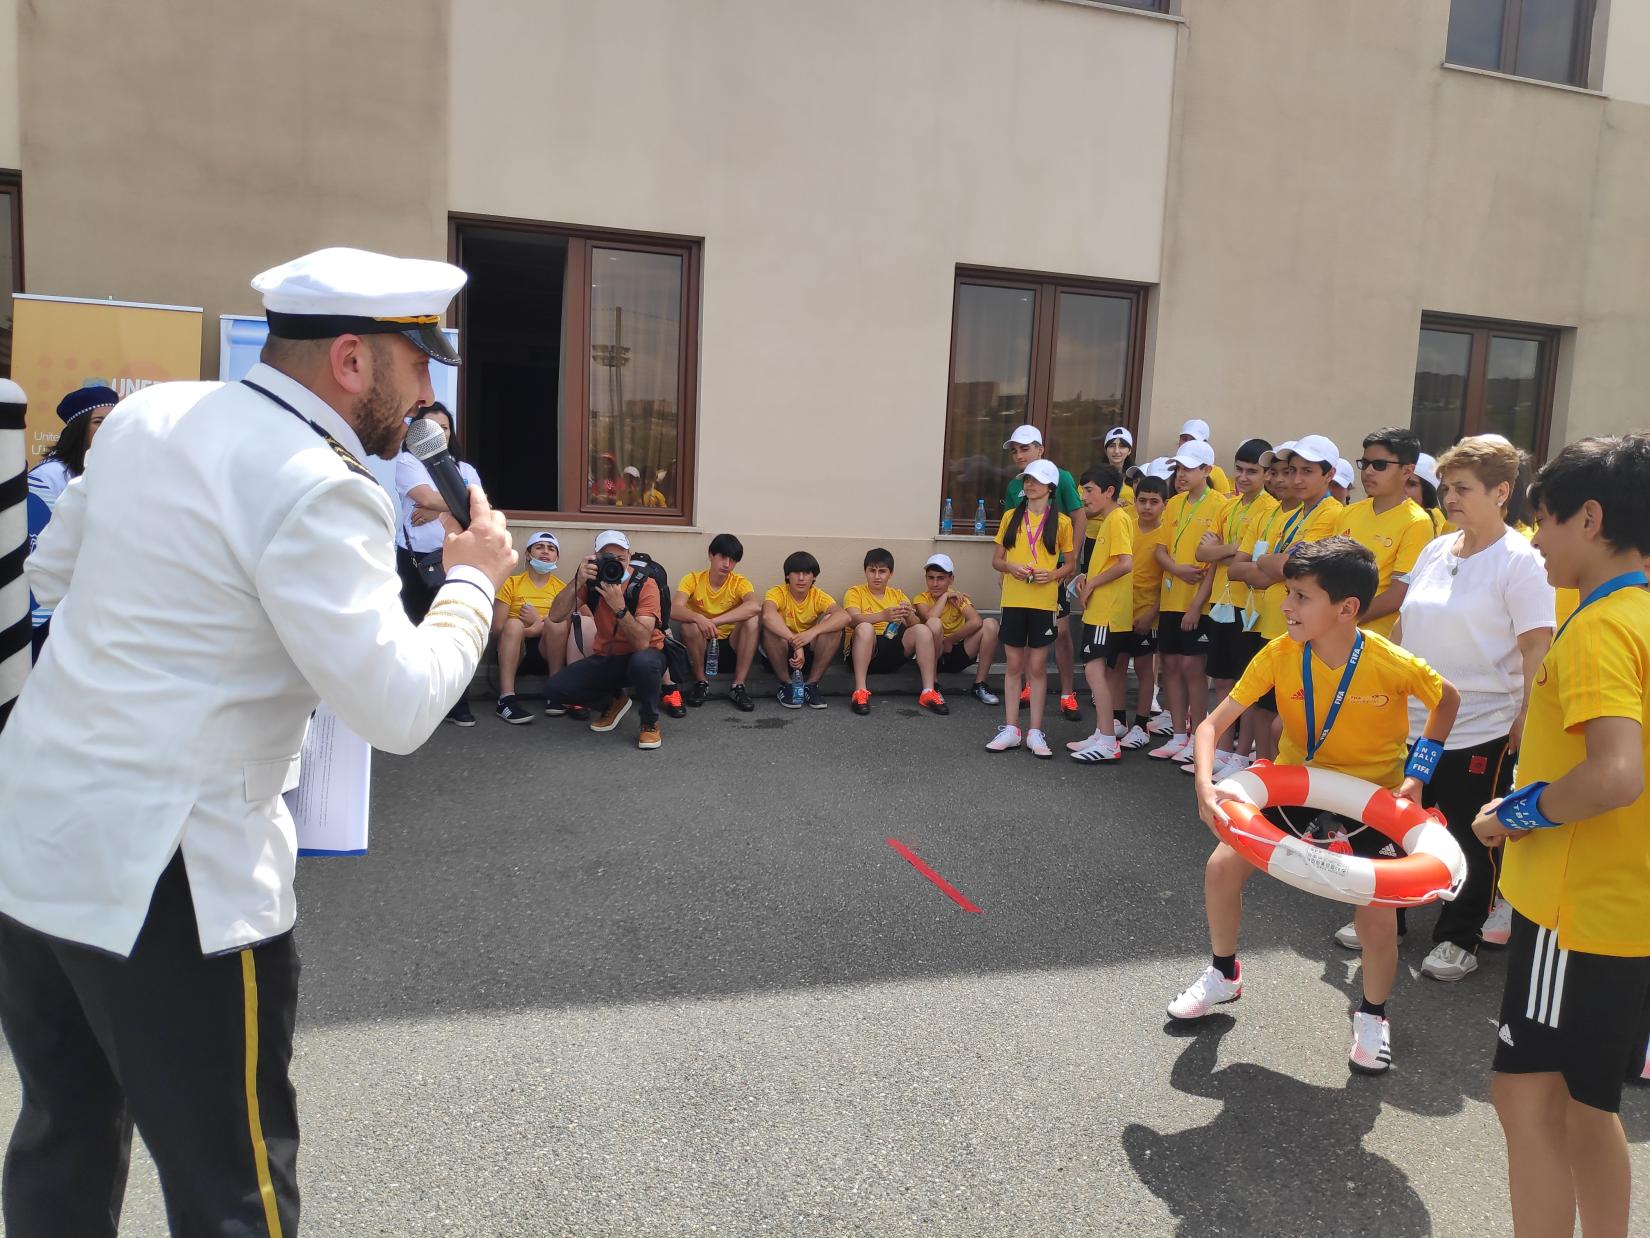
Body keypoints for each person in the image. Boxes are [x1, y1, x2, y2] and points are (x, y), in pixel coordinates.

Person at [0, 247, 514, 1234]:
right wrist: (474, 577)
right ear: (356, 362)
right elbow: (400, 708)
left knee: (62, 1133)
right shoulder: (324, 486)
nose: (425, 399)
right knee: (234, 1188)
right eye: (421, 367)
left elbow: (55, 576)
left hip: (35, 837)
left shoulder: (149, 416)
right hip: (172, 881)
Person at [1179, 538, 1460, 1076]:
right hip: (1292, 787)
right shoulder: (1280, 653)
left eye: (1302, 597)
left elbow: (1446, 699)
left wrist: (1418, 777)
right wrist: (1204, 784)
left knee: (1376, 920)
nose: (1286, 606)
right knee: (1221, 868)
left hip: (1373, 798)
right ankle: (1224, 974)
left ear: (1347, 608)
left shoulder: (1388, 660)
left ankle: (1374, 1015)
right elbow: (1213, 724)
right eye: (1288, 593)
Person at [1471, 434, 1650, 1238]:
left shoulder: (1602, 626)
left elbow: (1615, 773)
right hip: (1625, 905)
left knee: (1527, 1095)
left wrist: (1513, 813)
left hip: (1573, 912)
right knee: (1588, 1103)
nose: (1535, 539)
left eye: (1543, 521)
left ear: (1592, 517)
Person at [1330, 438, 1552, 978]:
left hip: (1481, 724)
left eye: (1463, 489)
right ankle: (1389, 913)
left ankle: (1460, 935)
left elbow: (1536, 645)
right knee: (1394, 820)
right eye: (1446, 488)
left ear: (1502, 492)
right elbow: (1405, 627)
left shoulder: (1521, 561)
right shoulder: (1437, 549)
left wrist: (1525, 715)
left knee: (1466, 830)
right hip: (1411, 719)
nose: (1450, 498)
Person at [394, 401, 483, 726]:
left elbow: (479, 508)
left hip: (457, 558)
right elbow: (431, 498)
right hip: (415, 562)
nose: (439, 434)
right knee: (416, 631)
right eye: (430, 428)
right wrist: (451, 503)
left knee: (455, 629)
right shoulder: (407, 461)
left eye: (444, 428)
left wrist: (434, 509)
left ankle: (457, 705)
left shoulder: (465, 469)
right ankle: (418, 705)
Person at [1195, 437, 1278, 780]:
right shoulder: (1227, 506)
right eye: (1239, 470)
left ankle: (1243, 755)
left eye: (1252, 471)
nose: (1243, 477)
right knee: (1222, 680)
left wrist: (1226, 550)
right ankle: (1225, 749)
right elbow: (1203, 554)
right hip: (1221, 602)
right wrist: (1231, 551)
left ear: (1266, 475)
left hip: (1250, 606)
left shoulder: (1269, 508)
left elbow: (1253, 559)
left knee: (1248, 686)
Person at [541, 530, 668, 750]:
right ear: (596, 558)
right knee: (555, 688)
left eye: (621, 558)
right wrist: (577, 579)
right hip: (609, 657)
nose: (615, 564)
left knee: (643, 662)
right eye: (608, 558)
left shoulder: (645, 585)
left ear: (629, 556)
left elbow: (641, 642)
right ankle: (612, 702)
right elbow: (555, 616)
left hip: (646, 655)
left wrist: (619, 607)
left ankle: (649, 722)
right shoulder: (591, 583)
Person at [988, 458, 1075, 758]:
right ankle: (1011, 728)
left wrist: (1052, 575)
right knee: (1013, 665)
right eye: (1027, 479)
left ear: (1050, 487)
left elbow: (1071, 564)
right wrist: (1010, 567)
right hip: (1013, 599)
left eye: (1036, 480)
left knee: (1037, 667)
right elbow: (997, 560)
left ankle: (1035, 731)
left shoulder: (1061, 522)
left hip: (1043, 602)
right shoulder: (1011, 516)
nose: (1029, 484)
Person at [1149, 439, 1230, 764]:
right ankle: (1179, 734)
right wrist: (1176, 569)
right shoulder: (1174, 503)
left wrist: (1197, 604)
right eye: (1178, 468)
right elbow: (1159, 549)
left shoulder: (1220, 505)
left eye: (1188, 468)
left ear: (1207, 471)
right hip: (1171, 598)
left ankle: (1199, 735)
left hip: (1199, 603)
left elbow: (1215, 564)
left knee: (1191, 667)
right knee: (1169, 665)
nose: (1181, 474)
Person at [26, 386, 120, 656]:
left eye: (113, 421)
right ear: (79, 427)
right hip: (51, 611)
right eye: (99, 421)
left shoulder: (109, 472)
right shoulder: (50, 476)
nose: (108, 429)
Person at [1003, 425, 1084, 722]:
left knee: (1061, 632)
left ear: (1041, 448)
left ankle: (1067, 693)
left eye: (1024, 448)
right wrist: (1007, 567)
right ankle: (1026, 686)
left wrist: (1068, 564)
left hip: (1054, 572)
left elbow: (1079, 518)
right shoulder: (1015, 486)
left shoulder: (1060, 477)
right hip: (1022, 578)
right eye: (1014, 450)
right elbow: (1013, 532)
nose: (1019, 455)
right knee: (1022, 638)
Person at [1333, 427, 1434, 639]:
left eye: (1379, 465)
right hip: (1333, 631)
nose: (1368, 472)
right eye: (1365, 463)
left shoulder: (1417, 522)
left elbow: (1398, 594)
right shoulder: (1349, 512)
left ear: (1407, 470)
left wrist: (1342, 618)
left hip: (1374, 640)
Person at [1069, 464, 1133, 762]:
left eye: (1090, 490)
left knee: (1095, 671)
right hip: (1100, 610)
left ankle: (1108, 740)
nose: (1084, 496)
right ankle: (1102, 732)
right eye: (1083, 490)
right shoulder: (1110, 519)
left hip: (1107, 613)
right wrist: (1086, 578)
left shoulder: (1117, 518)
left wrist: (1092, 582)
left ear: (1109, 491)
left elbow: (1125, 563)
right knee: (1098, 671)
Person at [492, 532, 591, 725]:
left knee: (557, 621)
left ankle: (555, 692)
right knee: (513, 624)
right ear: (528, 554)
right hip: (515, 650)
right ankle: (506, 700)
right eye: (539, 547)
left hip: (549, 651)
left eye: (551, 548)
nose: (546, 551)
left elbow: (587, 618)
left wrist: (543, 624)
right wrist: (531, 630)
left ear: (557, 557)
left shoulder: (562, 589)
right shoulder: (511, 583)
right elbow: (496, 628)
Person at [841, 548, 946, 716]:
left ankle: (928, 691)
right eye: (872, 571)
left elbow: (915, 625)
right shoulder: (855, 592)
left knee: (921, 630)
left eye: (882, 571)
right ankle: (860, 692)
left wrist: (909, 615)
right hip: (863, 651)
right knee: (865, 628)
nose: (877, 576)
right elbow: (851, 620)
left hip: (892, 650)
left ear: (891, 574)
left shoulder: (897, 594)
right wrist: (882, 615)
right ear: (865, 571)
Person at [1116, 471, 1172, 750]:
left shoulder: (1168, 535)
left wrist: (1153, 612)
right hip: (1120, 609)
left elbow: (1168, 581)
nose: (1147, 507)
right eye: (1142, 501)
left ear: (1165, 504)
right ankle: (1117, 719)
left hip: (1147, 612)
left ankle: (1141, 725)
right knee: (1115, 665)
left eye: (1154, 502)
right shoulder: (1126, 526)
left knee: (1143, 669)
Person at [674, 532, 760, 712]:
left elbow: (754, 606)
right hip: (701, 647)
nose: (727, 564)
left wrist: (713, 622)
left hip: (731, 645)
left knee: (751, 619)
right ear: (711, 555)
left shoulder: (739, 583)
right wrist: (699, 618)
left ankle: (738, 685)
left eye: (733, 560)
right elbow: (674, 609)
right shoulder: (692, 579)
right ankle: (701, 682)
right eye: (722, 557)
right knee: (688, 624)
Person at [760, 551, 850, 708]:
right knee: (771, 627)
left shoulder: (818, 596)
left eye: (807, 573)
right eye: (796, 572)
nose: (801, 578)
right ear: (788, 575)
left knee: (833, 624)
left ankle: (811, 684)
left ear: (814, 577)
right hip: (778, 653)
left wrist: (811, 633)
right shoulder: (777, 592)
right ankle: (786, 684)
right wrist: (795, 642)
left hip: (808, 655)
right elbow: (767, 616)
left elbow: (845, 617)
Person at [914, 553, 1000, 705]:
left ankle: (980, 685)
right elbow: (930, 618)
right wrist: (944, 597)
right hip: (934, 654)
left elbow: (976, 621)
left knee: (991, 624)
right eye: (930, 578)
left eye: (940, 578)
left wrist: (950, 640)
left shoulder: (958, 598)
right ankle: (932, 686)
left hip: (956, 651)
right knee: (934, 624)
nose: (935, 583)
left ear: (951, 579)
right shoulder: (921, 598)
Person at [1176, 419, 1233, 495]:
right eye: (1184, 439)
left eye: (1193, 439)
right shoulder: (1169, 467)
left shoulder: (1216, 472)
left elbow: (1225, 503)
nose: (1188, 443)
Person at [1406, 452, 1447, 535]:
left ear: (1427, 492)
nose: (1400, 488)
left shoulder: (1436, 517)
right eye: (1398, 481)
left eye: (1411, 484)